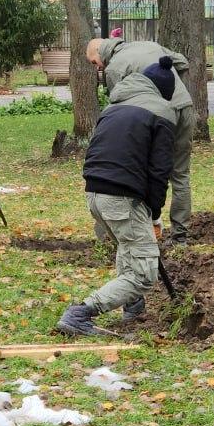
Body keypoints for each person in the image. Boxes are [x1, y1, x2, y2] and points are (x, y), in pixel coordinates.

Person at [57, 57, 177, 335]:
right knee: (144, 273)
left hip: (95, 192)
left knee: (128, 247)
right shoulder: (162, 112)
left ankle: (134, 312)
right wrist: (154, 214)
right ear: (162, 92)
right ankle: (80, 313)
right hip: (122, 197)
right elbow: (159, 172)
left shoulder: (115, 106)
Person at [86, 37, 195, 244]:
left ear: (101, 52)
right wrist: (170, 88)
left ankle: (122, 232)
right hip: (184, 107)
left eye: (94, 63)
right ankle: (180, 237)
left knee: (141, 168)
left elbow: (121, 105)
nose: (97, 68)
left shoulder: (114, 69)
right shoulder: (148, 44)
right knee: (180, 175)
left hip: (156, 117)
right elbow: (181, 62)